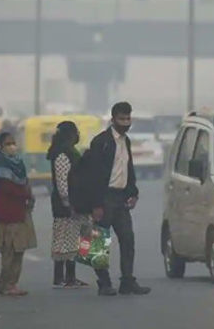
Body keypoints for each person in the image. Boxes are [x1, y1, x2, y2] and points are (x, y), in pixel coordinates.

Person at [88, 102, 150, 296]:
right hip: (104, 196)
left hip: (121, 197)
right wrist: (96, 204)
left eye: (128, 119)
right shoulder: (101, 142)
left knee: (127, 239)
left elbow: (128, 169)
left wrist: (133, 192)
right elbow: (94, 175)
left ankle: (127, 281)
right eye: (122, 119)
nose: (126, 122)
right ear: (113, 119)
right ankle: (104, 282)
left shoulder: (126, 141)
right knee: (99, 242)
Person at [0, 132, 37, 297]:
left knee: (19, 251)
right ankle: (5, 284)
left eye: (13, 143)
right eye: (8, 144)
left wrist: (28, 195)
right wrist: (25, 192)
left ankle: (12, 284)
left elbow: (25, 185)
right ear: (0, 147)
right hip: (7, 216)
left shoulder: (19, 165)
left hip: (20, 214)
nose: (12, 146)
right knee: (9, 253)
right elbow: (6, 190)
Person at [47, 121, 90, 289]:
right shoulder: (62, 154)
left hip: (72, 202)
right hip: (65, 204)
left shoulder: (68, 151)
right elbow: (62, 181)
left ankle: (70, 277)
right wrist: (68, 203)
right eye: (75, 132)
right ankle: (61, 278)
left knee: (71, 240)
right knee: (63, 240)